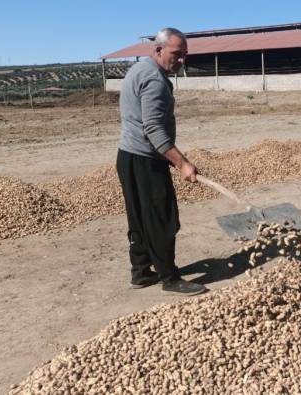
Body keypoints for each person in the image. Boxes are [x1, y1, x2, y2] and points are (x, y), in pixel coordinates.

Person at [116, 27, 207, 295]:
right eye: (177, 54)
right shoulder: (154, 80)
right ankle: (169, 278)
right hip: (144, 160)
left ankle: (141, 271)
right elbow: (153, 129)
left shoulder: (139, 69)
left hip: (129, 156)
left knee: (140, 217)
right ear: (158, 50)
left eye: (185, 55)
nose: (181, 61)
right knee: (163, 219)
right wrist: (182, 163)